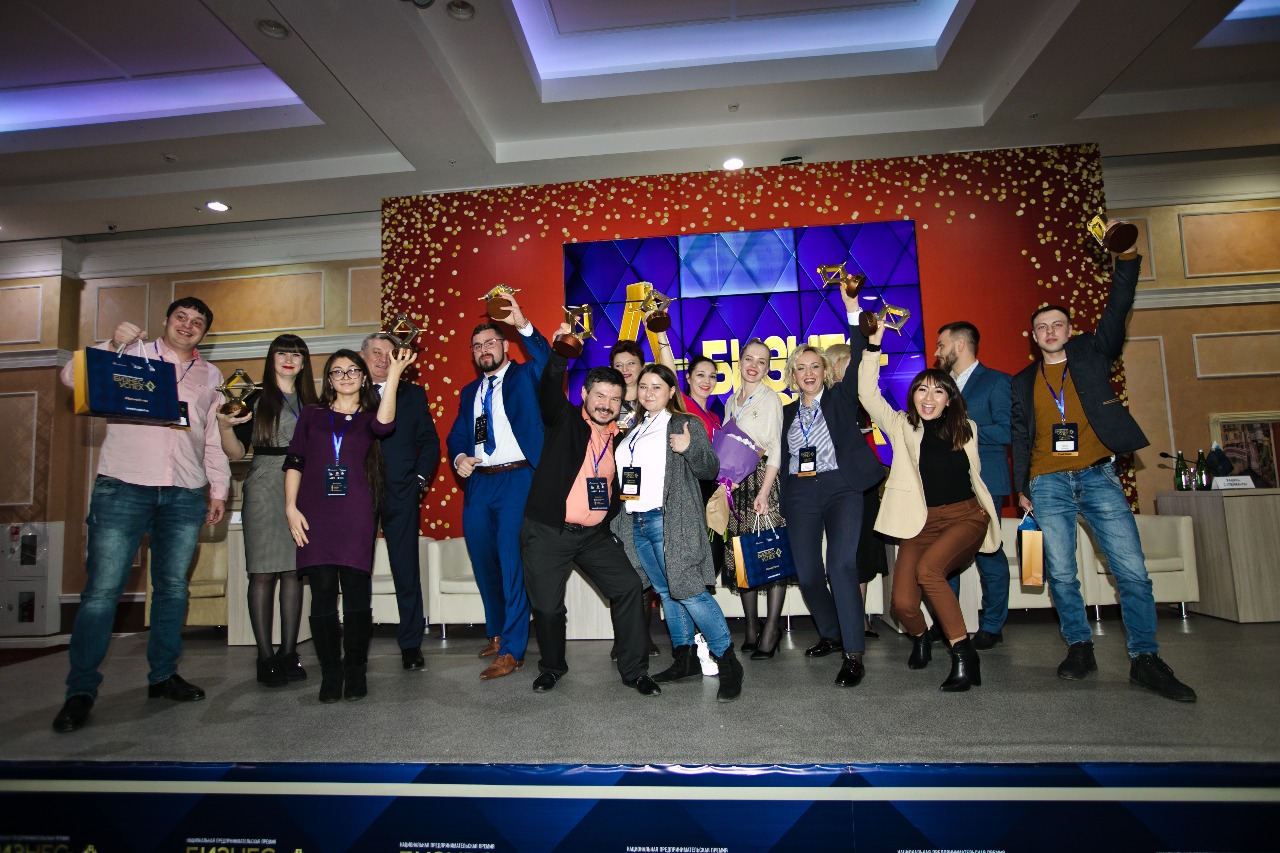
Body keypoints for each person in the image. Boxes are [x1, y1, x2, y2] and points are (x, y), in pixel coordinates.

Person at [1011, 243, 1196, 702]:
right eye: (1042, 327)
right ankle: (1079, 647)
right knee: (1061, 573)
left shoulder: (1092, 354)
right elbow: (1020, 436)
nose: (1050, 332)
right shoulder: (1022, 381)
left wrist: (1127, 259)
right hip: (1047, 483)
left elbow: (1119, 306)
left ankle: (1145, 658)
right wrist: (1022, 488)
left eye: (1057, 324)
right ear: (1033, 336)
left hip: (1098, 477)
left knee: (1131, 571)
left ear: (1070, 330)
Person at [53, 298, 230, 734]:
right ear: (166, 321)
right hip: (124, 485)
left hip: (185, 491)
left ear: (205, 333)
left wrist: (218, 488)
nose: (188, 325)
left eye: (198, 322)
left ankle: (163, 676)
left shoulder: (211, 376)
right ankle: (80, 691)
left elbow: (210, 437)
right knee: (102, 592)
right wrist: (110, 344)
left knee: (172, 589)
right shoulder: (131, 353)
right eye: (181, 317)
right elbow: (71, 377)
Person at [858, 323, 1002, 691]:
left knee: (930, 571)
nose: (929, 396)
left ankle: (963, 654)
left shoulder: (966, 429)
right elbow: (867, 393)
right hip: (920, 523)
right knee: (903, 605)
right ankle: (921, 637)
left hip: (966, 517)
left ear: (949, 399)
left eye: (938, 390)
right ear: (913, 396)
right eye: (922, 389)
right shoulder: (902, 426)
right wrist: (873, 346)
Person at [520, 328, 662, 697]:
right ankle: (552, 667)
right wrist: (561, 351)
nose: (606, 404)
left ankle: (635, 671)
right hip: (549, 531)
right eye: (599, 395)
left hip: (593, 536)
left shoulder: (622, 439)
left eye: (614, 398)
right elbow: (548, 386)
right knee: (548, 609)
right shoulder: (563, 419)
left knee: (628, 587)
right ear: (584, 394)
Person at [284, 347, 412, 703]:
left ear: (363, 378)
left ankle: (355, 669)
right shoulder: (311, 415)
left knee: (357, 592)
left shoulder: (369, 417)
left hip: (356, 512)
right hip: (314, 513)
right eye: (337, 371)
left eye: (352, 371)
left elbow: (385, 425)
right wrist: (290, 508)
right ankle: (331, 672)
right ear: (328, 379)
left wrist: (395, 373)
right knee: (323, 592)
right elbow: (295, 461)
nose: (345, 377)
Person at [610, 364, 743, 702]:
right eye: (644, 386)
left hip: (670, 521)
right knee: (667, 594)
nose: (649, 392)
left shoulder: (685, 423)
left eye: (657, 386)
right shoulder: (635, 428)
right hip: (639, 522)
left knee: (690, 591)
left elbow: (709, 468)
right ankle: (685, 658)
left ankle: (728, 660)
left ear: (672, 391)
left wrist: (688, 448)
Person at [446, 296, 550, 679]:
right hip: (478, 483)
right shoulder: (469, 392)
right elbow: (457, 435)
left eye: (490, 342)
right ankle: (497, 631)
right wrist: (459, 457)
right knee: (483, 558)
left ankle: (513, 650)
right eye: (477, 346)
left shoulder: (525, 376)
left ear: (505, 345)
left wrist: (523, 323)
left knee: (510, 561)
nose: (483, 350)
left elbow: (548, 360)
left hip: (516, 479)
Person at [779, 310, 884, 687]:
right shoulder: (785, 413)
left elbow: (857, 352)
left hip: (842, 487)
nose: (808, 373)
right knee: (807, 574)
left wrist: (853, 309)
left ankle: (853, 654)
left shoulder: (840, 398)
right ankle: (831, 632)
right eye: (800, 368)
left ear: (825, 371)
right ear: (792, 376)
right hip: (801, 492)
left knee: (840, 566)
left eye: (814, 366)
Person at [216, 334, 318, 687]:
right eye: (282, 353)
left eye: (296, 354)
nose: (289, 359)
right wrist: (224, 427)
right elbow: (234, 452)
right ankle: (264, 657)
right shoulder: (253, 397)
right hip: (263, 484)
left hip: (304, 487)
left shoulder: (312, 402)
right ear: (271, 358)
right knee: (261, 573)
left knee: (293, 572)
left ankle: (289, 654)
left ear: (304, 362)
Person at [361, 332, 441, 672]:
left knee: (406, 569)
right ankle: (356, 644)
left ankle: (411, 645)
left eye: (390, 354)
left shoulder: (413, 394)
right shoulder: (349, 391)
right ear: (362, 356)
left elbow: (430, 442)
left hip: (402, 492)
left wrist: (418, 481)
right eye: (376, 352)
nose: (383, 359)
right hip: (358, 494)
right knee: (356, 571)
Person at [935, 322, 1013, 649]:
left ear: (960, 345)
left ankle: (992, 625)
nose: (937, 352)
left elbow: (1008, 431)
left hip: (986, 481)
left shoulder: (997, 381)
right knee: (946, 556)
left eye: (941, 345)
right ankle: (950, 626)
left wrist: (965, 429)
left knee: (988, 553)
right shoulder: (939, 386)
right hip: (946, 484)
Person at [721, 338, 789, 659]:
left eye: (762, 362)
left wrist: (764, 491)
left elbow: (775, 447)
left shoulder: (770, 399)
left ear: (767, 368)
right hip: (736, 485)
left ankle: (771, 630)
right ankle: (751, 627)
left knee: (771, 553)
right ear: (740, 361)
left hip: (763, 481)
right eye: (749, 359)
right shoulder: (731, 401)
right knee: (742, 555)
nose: (754, 366)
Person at [824, 343, 888, 639]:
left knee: (863, 551)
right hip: (838, 484)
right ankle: (848, 619)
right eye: (852, 364)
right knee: (844, 554)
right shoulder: (827, 399)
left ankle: (858, 618)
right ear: (835, 366)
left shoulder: (864, 398)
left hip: (866, 483)